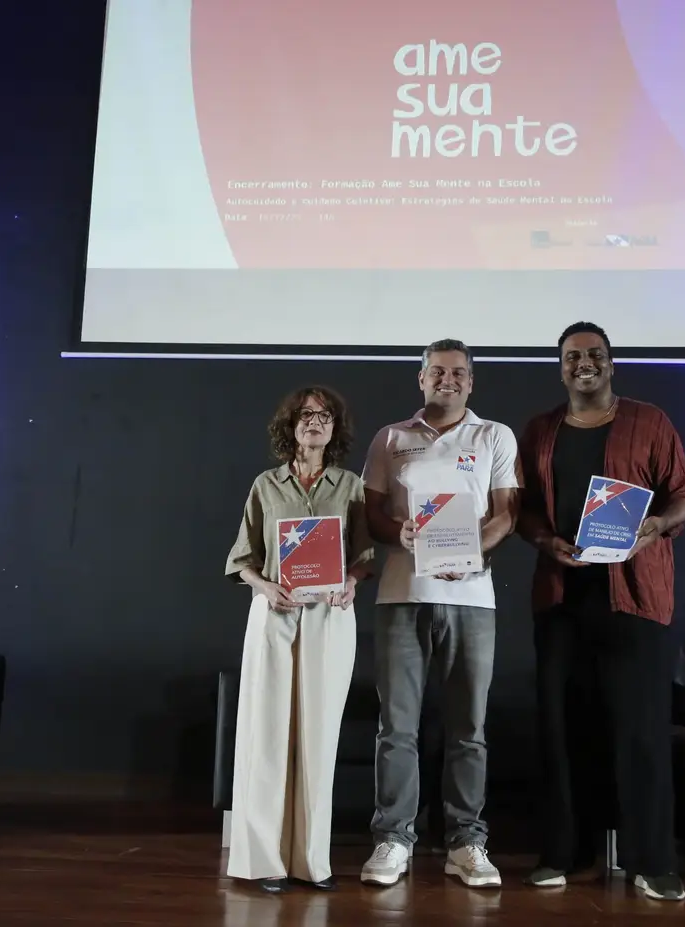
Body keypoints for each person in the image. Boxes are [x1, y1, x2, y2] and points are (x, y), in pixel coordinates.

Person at [516, 322, 685, 902]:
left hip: (634, 597)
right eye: (573, 357)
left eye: (594, 354)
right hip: (561, 598)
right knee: (563, 731)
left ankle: (653, 861)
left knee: (640, 732)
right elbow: (522, 509)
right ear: (561, 368)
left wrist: (657, 525)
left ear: (611, 364)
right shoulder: (540, 430)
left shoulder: (649, 421)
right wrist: (545, 541)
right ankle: (566, 855)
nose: (584, 364)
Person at [359, 339, 521, 889]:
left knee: (468, 728)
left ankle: (466, 842)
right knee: (396, 727)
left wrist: (471, 553)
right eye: (437, 371)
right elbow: (372, 514)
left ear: (471, 382)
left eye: (458, 373)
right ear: (421, 378)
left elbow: (506, 513)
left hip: (472, 599)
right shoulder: (391, 438)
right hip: (401, 595)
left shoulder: (494, 435)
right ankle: (392, 839)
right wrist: (399, 534)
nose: (447, 380)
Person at [223, 385, 374, 893]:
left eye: (324, 416)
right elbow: (242, 558)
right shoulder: (266, 485)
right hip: (275, 614)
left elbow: (364, 556)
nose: (315, 422)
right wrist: (265, 587)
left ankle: (311, 861)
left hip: (330, 616)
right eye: (306, 415)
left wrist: (351, 582)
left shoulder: (350, 485)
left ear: (335, 428)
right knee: (267, 733)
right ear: (290, 425)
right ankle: (264, 860)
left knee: (318, 736)